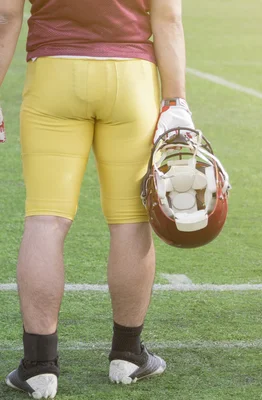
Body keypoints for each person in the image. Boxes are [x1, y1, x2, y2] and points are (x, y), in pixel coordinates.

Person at [0, 0, 195, 397]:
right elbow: (169, 17)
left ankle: (39, 367)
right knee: (130, 220)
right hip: (131, 80)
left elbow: (6, 15)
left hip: (54, 74)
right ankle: (127, 355)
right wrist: (176, 101)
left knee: (45, 219)